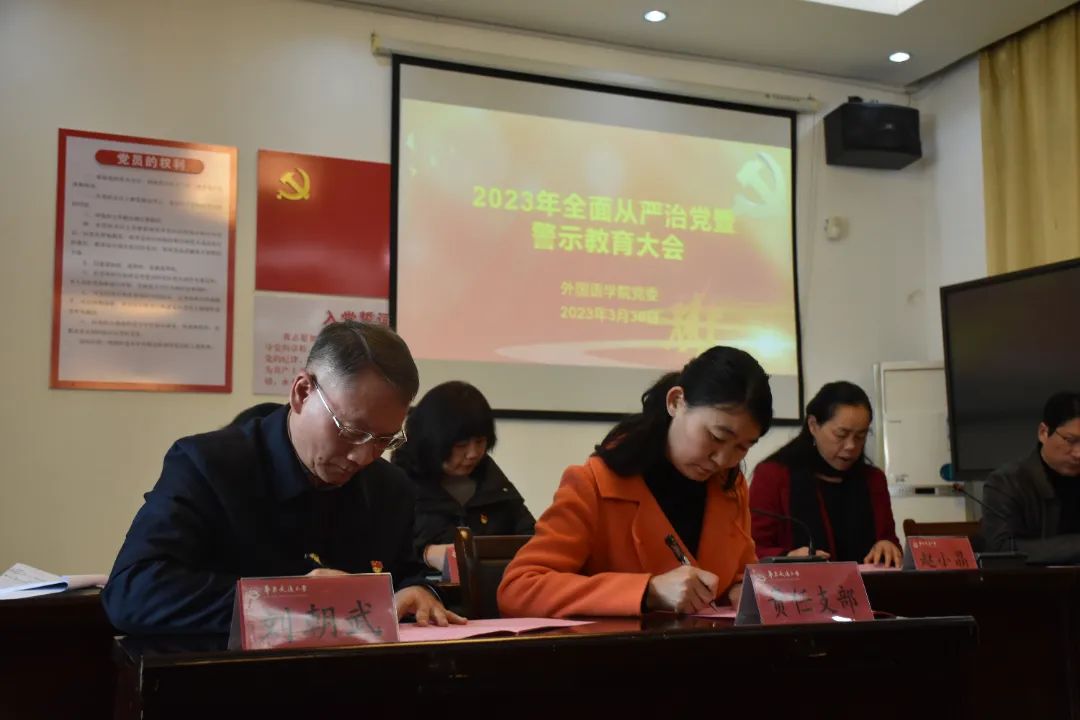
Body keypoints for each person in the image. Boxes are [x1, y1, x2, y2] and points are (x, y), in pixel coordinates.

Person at [102, 321, 465, 634]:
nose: (363, 456)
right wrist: (288, 599)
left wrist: (420, 593)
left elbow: (404, 575)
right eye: (352, 432)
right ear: (302, 392)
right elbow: (132, 592)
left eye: (384, 440)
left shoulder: (390, 488)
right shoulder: (209, 467)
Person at [497, 346, 773, 618]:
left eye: (742, 447)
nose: (722, 459)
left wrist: (741, 590)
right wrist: (647, 591)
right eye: (716, 436)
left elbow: (738, 573)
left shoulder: (730, 487)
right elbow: (519, 588)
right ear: (676, 402)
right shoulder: (593, 484)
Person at [749, 381, 901, 567]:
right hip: (800, 584)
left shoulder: (873, 480)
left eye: (860, 436)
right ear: (813, 425)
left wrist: (887, 546)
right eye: (841, 435)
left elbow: (889, 541)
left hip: (868, 585)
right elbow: (753, 549)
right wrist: (787, 557)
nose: (851, 446)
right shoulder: (773, 476)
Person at [391, 381, 534, 574]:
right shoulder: (397, 482)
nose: (473, 454)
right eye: (461, 445)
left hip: (493, 587)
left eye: (480, 441)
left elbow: (531, 538)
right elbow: (380, 552)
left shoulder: (491, 481)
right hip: (420, 589)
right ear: (432, 442)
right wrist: (426, 554)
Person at [980, 392, 1080, 564]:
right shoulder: (1006, 483)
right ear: (1043, 433)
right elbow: (1001, 549)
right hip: (1034, 580)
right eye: (1070, 440)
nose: (1078, 453)